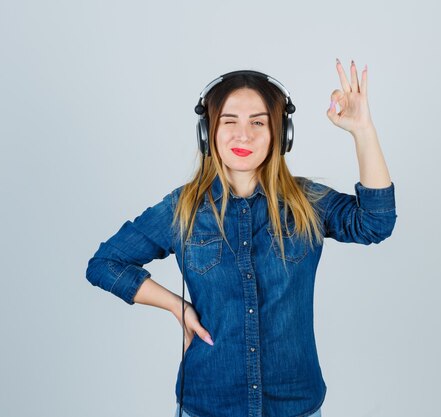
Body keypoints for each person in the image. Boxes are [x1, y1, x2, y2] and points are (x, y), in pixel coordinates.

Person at [86, 59, 397, 417]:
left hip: (295, 405)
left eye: (259, 122)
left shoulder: (309, 202)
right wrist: (177, 306)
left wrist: (363, 130)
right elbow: (105, 264)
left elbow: (376, 222)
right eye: (228, 121)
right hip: (208, 404)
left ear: (282, 133)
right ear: (208, 133)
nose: (243, 135)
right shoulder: (182, 208)